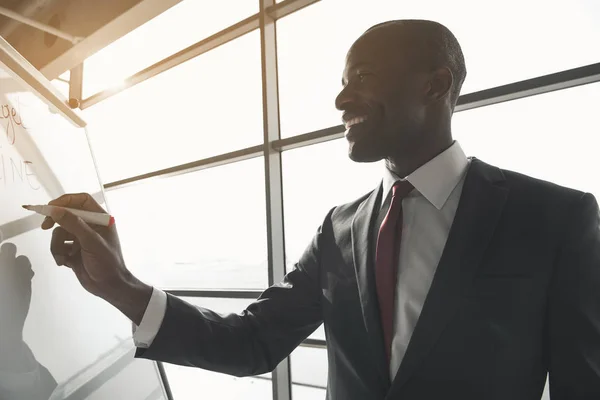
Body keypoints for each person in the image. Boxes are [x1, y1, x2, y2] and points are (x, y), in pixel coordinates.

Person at [43, 20, 600, 399]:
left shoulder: (553, 217)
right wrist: (119, 284)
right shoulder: (340, 229)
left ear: (436, 84)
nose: (340, 99)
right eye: (341, 82)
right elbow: (250, 343)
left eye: (363, 78)